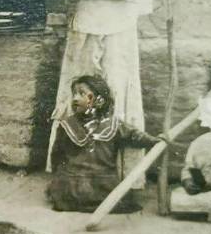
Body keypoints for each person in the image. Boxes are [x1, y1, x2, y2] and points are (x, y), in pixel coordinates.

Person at [44, 0, 153, 187]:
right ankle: (76, 170)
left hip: (114, 29)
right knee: (82, 93)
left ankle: (119, 175)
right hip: (92, 24)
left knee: (113, 90)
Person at [47, 75, 163, 213]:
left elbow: (134, 135)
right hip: (74, 184)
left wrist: (154, 140)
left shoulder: (112, 124)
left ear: (99, 100)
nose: (75, 98)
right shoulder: (67, 125)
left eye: (82, 94)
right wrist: (59, 178)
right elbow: (57, 155)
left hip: (101, 183)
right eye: (74, 94)